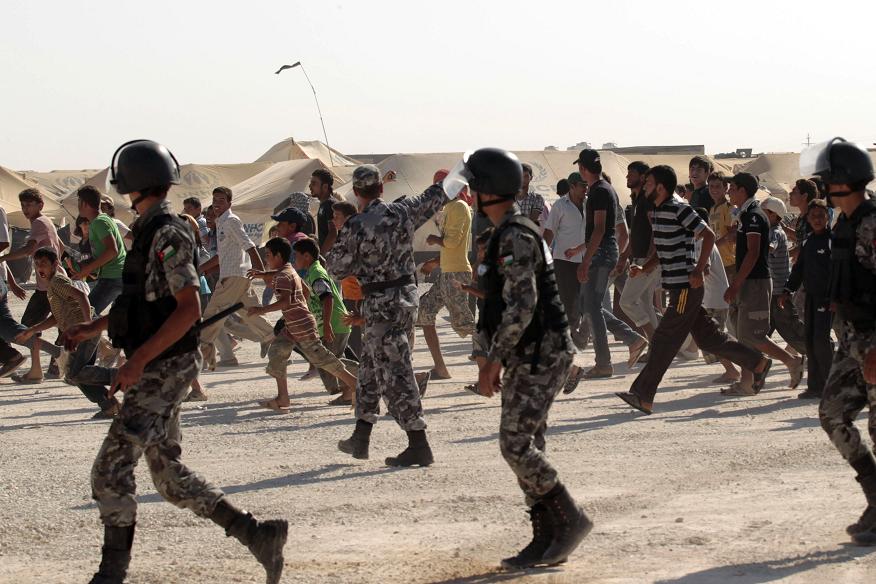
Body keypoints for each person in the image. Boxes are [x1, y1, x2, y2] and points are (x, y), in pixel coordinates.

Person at [62, 139, 287, 583]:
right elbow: (149, 306)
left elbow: (186, 308)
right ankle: (257, 535)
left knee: (110, 470)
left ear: (133, 182)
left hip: (163, 364)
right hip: (159, 359)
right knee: (168, 476)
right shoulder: (148, 230)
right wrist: (94, 328)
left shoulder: (166, 231)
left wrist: (135, 362)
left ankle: (111, 574)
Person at [465, 147, 591, 569]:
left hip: (542, 352)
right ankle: (546, 534)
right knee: (527, 444)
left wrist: (492, 360)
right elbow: (515, 298)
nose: (468, 192)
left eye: (473, 185)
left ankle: (569, 519)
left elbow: (523, 306)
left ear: (487, 191)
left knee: (515, 444)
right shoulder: (509, 233)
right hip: (533, 351)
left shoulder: (516, 235)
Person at [615, 166, 769, 414]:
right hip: (678, 288)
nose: (645, 187)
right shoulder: (658, 211)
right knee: (710, 338)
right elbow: (665, 251)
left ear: (661, 187)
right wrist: (644, 269)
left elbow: (707, 235)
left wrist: (698, 270)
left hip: (686, 287)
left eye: (649, 183)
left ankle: (643, 395)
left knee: (664, 339)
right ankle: (757, 363)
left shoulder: (679, 208)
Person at [327, 164, 448, 467]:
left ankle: (419, 443)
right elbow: (436, 195)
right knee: (369, 366)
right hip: (405, 299)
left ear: (356, 192)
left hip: (380, 304)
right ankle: (361, 435)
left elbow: (336, 268)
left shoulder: (355, 226)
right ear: (381, 188)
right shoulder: (403, 211)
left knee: (396, 372)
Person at [806, 138, 876, 546]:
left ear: (843, 182)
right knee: (832, 414)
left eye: (829, 180)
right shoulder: (843, 224)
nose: (825, 186)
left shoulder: (872, 224)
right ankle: (874, 495)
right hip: (851, 340)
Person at [248, 237, 358, 411]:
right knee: (277, 351)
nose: (266, 259)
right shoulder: (288, 270)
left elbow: (285, 302)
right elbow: (305, 290)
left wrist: (260, 310)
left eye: (268, 255)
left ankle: (355, 385)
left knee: (322, 359)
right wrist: (299, 308)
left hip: (302, 326)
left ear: (278, 256)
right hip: (295, 324)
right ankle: (283, 398)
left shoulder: (287, 275)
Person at [568, 149, 647, 379]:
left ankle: (606, 361)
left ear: (583, 169)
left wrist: (586, 260)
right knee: (589, 304)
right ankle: (630, 341)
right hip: (603, 252)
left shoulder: (600, 191)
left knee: (591, 306)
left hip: (601, 254)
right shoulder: (601, 189)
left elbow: (601, 229)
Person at [15, 247, 120, 418]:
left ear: (55, 264)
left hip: (84, 332)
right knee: (76, 374)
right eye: (37, 263)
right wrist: (33, 330)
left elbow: (81, 296)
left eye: (44, 264)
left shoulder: (57, 281)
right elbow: (56, 317)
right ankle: (109, 404)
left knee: (75, 373)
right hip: (81, 332)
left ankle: (120, 378)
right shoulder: (52, 285)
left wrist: (87, 324)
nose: (40, 267)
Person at [726, 173, 804, 393]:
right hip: (750, 281)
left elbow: (753, 253)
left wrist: (736, 283)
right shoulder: (746, 215)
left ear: (742, 190)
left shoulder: (753, 216)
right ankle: (747, 382)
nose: (729, 191)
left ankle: (791, 362)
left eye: (732, 188)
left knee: (754, 335)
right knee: (745, 335)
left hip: (755, 283)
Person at [197, 186, 276, 367]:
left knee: (212, 315)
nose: (217, 204)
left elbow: (248, 245)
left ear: (229, 203)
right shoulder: (221, 222)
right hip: (237, 275)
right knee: (250, 312)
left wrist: (261, 270)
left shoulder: (231, 221)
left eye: (221, 200)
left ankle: (201, 354)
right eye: (214, 200)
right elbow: (224, 254)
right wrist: (206, 269)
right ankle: (272, 336)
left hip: (233, 276)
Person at [417, 169, 476, 379]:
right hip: (448, 272)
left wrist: (434, 239)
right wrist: (435, 263)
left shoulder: (459, 207)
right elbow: (451, 248)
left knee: (465, 324)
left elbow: (451, 242)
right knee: (425, 310)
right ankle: (440, 368)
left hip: (456, 275)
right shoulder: (450, 207)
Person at [0, 188, 63, 383]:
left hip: (50, 286)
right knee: (32, 328)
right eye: (23, 205)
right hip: (49, 285)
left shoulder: (38, 223)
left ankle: (50, 361)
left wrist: (3, 258)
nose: (25, 209)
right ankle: (48, 362)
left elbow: (29, 249)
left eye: (29, 205)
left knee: (27, 328)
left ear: (40, 205)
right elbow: (60, 246)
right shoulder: (46, 222)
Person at [293, 237, 358, 404]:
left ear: (307, 256)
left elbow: (327, 298)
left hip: (335, 323)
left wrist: (328, 325)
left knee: (330, 361)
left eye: (297, 256)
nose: (294, 259)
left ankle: (367, 375)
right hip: (333, 324)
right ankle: (348, 391)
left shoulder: (316, 273)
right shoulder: (312, 272)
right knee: (331, 360)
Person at [779, 199, 833, 399]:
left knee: (821, 340)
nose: (817, 220)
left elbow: (839, 271)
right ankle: (814, 386)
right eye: (813, 216)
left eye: (821, 216)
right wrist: (787, 290)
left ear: (827, 216)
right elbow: (799, 269)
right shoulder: (808, 241)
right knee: (810, 341)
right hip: (810, 297)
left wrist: (836, 296)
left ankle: (829, 385)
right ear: (808, 219)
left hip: (827, 300)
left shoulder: (831, 240)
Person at [693, 207, 740, 384]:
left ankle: (737, 367)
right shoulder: (699, 243)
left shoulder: (704, 244)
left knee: (714, 339)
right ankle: (734, 367)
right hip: (711, 299)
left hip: (715, 300)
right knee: (712, 338)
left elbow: (704, 269)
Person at [618, 161, 660, 342]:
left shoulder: (646, 200)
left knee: (626, 301)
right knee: (644, 303)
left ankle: (653, 341)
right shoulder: (636, 201)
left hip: (647, 261)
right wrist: (624, 258)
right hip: (640, 260)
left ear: (643, 177)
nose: (628, 176)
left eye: (632, 173)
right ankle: (658, 346)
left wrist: (650, 260)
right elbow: (634, 235)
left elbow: (656, 230)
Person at [544, 172, 586, 346]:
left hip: (587, 259)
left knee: (587, 303)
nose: (585, 189)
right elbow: (549, 232)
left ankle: (577, 336)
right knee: (569, 303)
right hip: (564, 261)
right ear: (572, 186)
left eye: (586, 185)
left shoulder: (590, 203)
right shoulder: (560, 206)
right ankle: (569, 339)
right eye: (582, 185)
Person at [762, 196, 807, 357]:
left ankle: (820, 350)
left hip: (779, 290)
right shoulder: (772, 230)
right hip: (772, 291)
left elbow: (770, 247)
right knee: (763, 330)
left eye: (763, 213)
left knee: (791, 329)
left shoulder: (774, 232)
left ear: (774, 215)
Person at [73, 185, 127, 315]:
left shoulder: (99, 222)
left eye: (79, 202)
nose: (78, 205)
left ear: (84, 204)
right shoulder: (103, 220)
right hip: (115, 275)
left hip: (112, 277)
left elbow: (112, 251)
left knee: (85, 314)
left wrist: (87, 269)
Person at [332, 201, 363, 357]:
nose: (334, 220)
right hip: (349, 295)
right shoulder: (345, 236)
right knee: (354, 342)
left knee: (357, 344)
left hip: (358, 297)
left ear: (348, 218)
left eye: (337, 216)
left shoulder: (354, 237)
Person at [707, 171, 737, 281]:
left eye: (718, 186)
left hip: (729, 263)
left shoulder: (729, 207)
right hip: (717, 261)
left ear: (725, 188)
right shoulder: (712, 209)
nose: (714, 189)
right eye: (711, 186)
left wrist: (712, 246)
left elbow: (733, 234)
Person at [309, 169, 340, 254]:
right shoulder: (324, 204)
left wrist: (321, 255)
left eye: (314, 183)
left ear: (325, 187)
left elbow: (333, 233)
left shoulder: (331, 205)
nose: (310, 186)